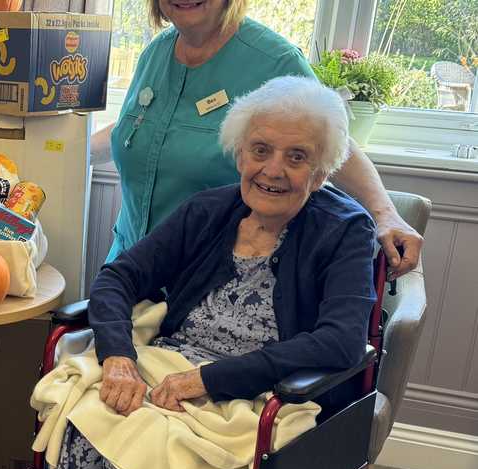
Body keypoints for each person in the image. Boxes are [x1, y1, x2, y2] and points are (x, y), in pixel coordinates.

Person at [28, 77, 375, 469]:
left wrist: (210, 379)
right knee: (92, 411)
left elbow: (341, 340)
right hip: (165, 367)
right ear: (239, 154)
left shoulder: (346, 229)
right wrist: (118, 357)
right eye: (260, 150)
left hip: (256, 394)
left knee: (141, 440)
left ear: (321, 172)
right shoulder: (209, 210)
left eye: (296, 157)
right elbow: (119, 277)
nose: (273, 169)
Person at [91, 0, 421, 281]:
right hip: (129, 266)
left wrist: (384, 213)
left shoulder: (274, 60)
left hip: (207, 282)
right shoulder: (155, 54)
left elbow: (333, 145)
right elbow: (133, 130)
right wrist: (61, 161)